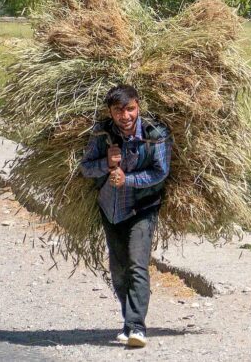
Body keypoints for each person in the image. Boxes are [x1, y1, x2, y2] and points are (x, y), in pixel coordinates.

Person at [79, 84, 171, 348]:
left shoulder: (156, 134)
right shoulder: (102, 134)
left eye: (130, 109)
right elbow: (85, 168)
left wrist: (127, 180)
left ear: (138, 106)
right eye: (119, 111)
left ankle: (137, 327)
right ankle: (128, 322)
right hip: (110, 208)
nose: (126, 116)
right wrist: (106, 164)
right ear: (111, 112)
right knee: (118, 270)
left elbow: (160, 171)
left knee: (137, 264)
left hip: (143, 208)